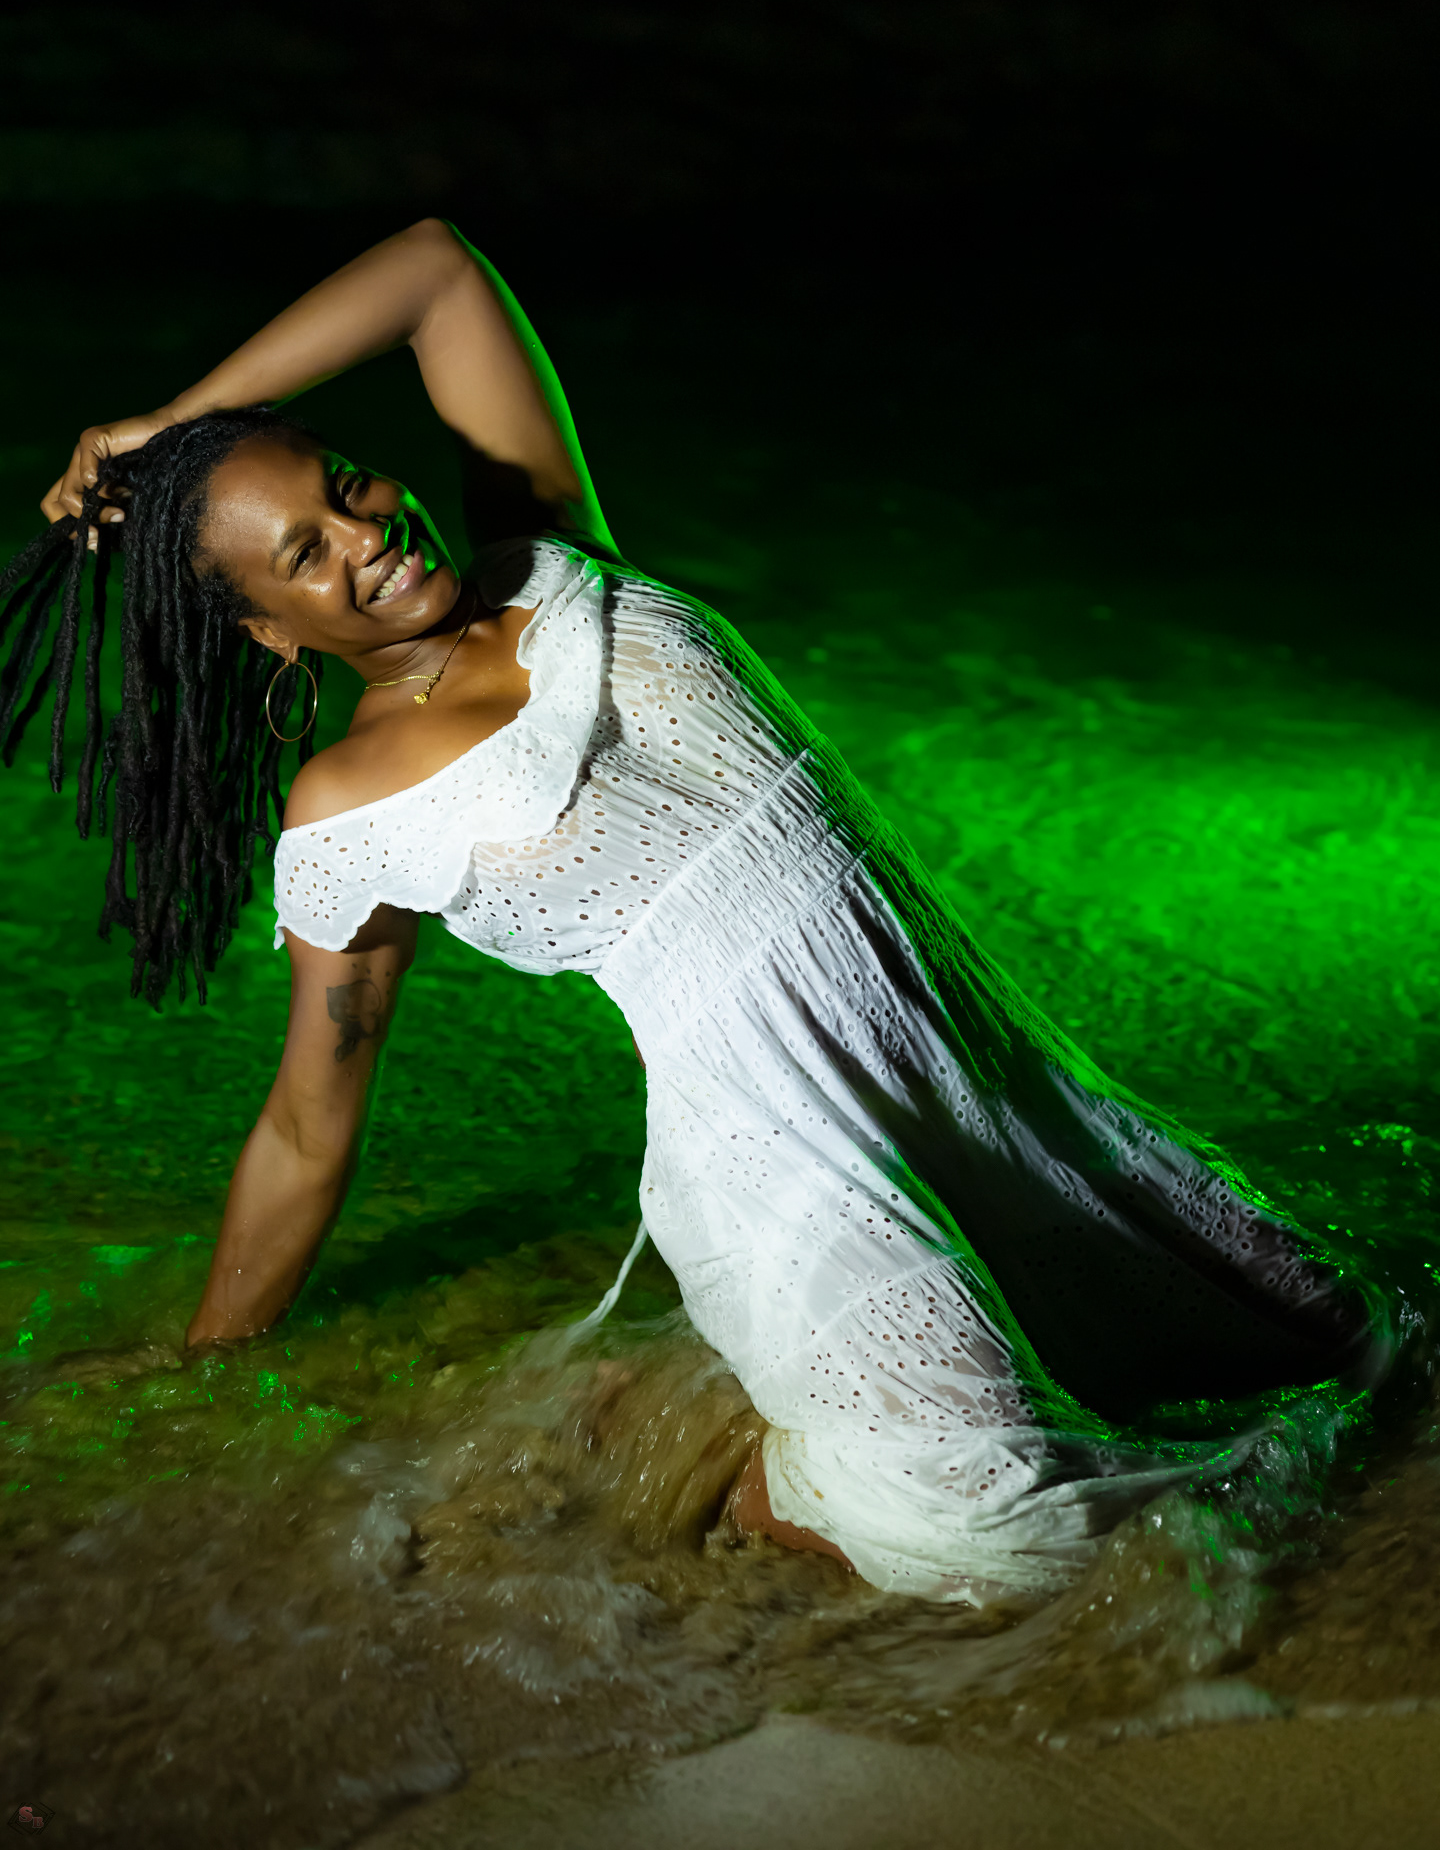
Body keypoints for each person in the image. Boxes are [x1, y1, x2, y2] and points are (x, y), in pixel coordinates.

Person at [6, 218, 1389, 1604]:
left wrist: (165, 427)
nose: (369, 534)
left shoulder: (547, 551)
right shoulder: (350, 809)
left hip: (970, 1075)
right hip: (781, 1161)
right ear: (268, 632)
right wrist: (205, 1367)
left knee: (1346, 1334)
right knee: (1000, 1529)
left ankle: (705, 1401)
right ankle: (710, 1476)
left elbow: (434, 270)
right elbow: (310, 1124)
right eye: (307, 553)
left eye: (348, 485)